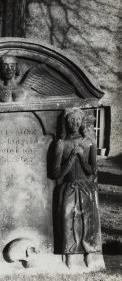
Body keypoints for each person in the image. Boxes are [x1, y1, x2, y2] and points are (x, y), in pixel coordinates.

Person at [51, 108, 102, 268]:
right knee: (68, 220)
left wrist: (81, 156)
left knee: (87, 221)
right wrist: (72, 156)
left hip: (86, 188)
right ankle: (69, 254)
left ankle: (89, 253)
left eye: (77, 120)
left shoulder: (89, 144)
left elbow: (92, 171)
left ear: (82, 122)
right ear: (66, 122)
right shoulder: (61, 144)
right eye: (71, 120)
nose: (74, 123)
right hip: (68, 188)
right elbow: (56, 173)